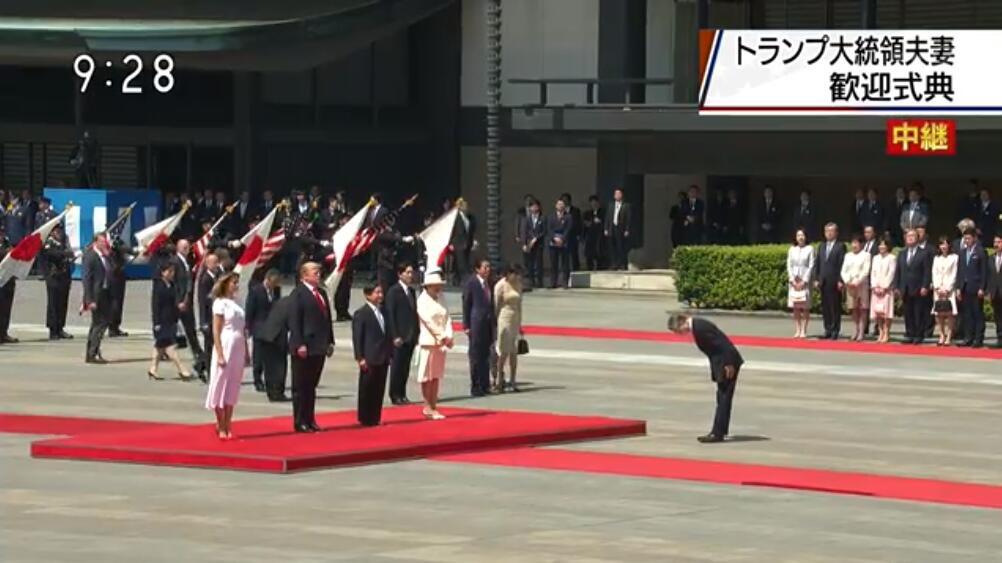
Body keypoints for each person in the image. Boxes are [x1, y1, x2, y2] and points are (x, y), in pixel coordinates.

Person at [667, 313, 744, 444]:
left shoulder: (700, 327)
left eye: (678, 331)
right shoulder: (698, 326)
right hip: (722, 363)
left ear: (682, 323)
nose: (680, 334)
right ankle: (719, 431)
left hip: (727, 363)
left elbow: (724, 344)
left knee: (724, 397)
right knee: (722, 397)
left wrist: (729, 364)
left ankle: (717, 433)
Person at [288, 261, 335, 433]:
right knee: (301, 386)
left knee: (311, 385)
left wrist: (330, 341)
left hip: (319, 346)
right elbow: (294, 321)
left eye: (319, 271)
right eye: (315, 271)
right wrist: (299, 343)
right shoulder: (298, 294)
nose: (318, 273)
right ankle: (300, 421)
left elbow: (327, 319)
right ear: (304, 275)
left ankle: (310, 419)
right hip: (304, 346)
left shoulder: (321, 293)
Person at [205, 273, 248, 440]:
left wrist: (247, 351)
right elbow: (216, 330)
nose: (236, 286)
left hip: (238, 345)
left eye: (237, 283)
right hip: (226, 343)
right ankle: (220, 423)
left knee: (233, 385)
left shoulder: (238, 303)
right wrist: (220, 353)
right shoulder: (220, 303)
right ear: (225, 284)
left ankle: (228, 423)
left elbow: (243, 329)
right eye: (233, 283)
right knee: (220, 383)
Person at [352, 285, 394, 426]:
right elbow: (357, 337)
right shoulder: (361, 314)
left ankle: (375, 417)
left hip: (383, 356)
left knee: (379, 388)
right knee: (367, 388)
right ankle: (365, 417)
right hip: (369, 356)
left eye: (381, 292)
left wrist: (390, 352)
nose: (380, 295)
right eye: (377, 292)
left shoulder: (384, 312)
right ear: (368, 295)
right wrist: (360, 357)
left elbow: (388, 334)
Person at [415, 270, 453, 420]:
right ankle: (427, 406)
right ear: (427, 286)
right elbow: (428, 322)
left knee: (436, 375)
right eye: (434, 285)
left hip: (441, 343)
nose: (438, 288)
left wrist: (448, 336)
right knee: (427, 375)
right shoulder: (422, 301)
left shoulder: (441, 298)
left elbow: (447, 317)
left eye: (439, 285)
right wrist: (443, 337)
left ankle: (434, 405)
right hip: (428, 341)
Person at [149, 263, 193, 381]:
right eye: (169, 271)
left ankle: (153, 369)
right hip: (162, 320)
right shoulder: (158, 285)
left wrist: (179, 306)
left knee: (160, 347)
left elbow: (174, 300)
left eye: (172, 271)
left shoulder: (172, 285)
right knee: (170, 346)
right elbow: (155, 305)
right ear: (163, 272)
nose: (171, 274)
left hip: (171, 319)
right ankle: (182, 369)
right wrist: (156, 322)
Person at [171, 240, 205, 377]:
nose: (186, 249)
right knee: (172, 331)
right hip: (180, 302)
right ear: (178, 248)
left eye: (187, 247)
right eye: (184, 247)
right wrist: (178, 301)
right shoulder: (175, 262)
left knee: (191, 329)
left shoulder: (186, 261)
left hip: (187, 301)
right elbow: (174, 283)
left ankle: (199, 354)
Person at [385, 263, 418, 405]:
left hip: (410, 335)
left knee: (405, 367)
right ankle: (395, 394)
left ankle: (402, 393)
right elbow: (390, 315)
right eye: (408, 272)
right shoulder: (394, 291)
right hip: (399, 335)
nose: (410, 275)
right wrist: (394, 335)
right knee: (397, 366)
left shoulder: (411, 291)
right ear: (400, 274)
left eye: (411, 272)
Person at [245, 269, 282, 393]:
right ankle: (257, 380)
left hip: (272, 328)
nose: (275, 285)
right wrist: (248, 327)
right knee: (258, 356)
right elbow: (250, 309)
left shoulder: (276, 290)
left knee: (270, 356)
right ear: (268, 279)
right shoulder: (256, 291)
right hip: (259, 327)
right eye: (274, 282)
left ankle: (269, 379)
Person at [462, 258, 495, 397]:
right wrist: (466, 325)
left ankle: (485, 384)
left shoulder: (489, 283)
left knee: (486, 355)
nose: (487, 270)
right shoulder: (472, 283)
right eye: (484, 267)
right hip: (476, 324)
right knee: (475, 356)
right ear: (477, 269)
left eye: (489, 267)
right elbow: (466, 304)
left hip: (487, 324)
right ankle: (475, 386)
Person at [896, 229, 931, 345]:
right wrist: (897, 286)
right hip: (905, 287)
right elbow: (898, 271)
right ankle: (909, 333)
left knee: (918, 312)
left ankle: (918, 334)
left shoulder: (924, 253)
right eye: (908, 236)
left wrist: (925, 286)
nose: (910, 238)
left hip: (918, 287)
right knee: (908, 312)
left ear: (918, 238)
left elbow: (927, 271)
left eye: (913, 236)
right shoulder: (902, 253)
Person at [82, 233, 113, 363]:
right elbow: (87, 279)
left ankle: (93, 351)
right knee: (99, 323)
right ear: (95, 242)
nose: (104, 244)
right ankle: (92, 353)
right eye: (101, 242)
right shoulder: (90, 257)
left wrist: (108, 255)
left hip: (105, 293)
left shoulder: (103, 256)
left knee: (99, 323)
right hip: (96, 295)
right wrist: (89, 300)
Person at [493, 264, 524, 392]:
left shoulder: (518, 285)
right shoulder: (500, 285)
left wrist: (520, 323)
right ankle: (499, 379)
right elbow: (496, 305)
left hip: (515, 318)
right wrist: (495, 322)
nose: (517, 277)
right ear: (508, 274)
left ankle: (513, 379)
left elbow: (520, 304)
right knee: (503, 351)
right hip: (504, 318)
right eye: (514, 274)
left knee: (513, 351)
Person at [257, 290, 291, 402]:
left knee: (269, 367)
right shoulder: (292, 305)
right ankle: (278, 393)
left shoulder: (281, 302)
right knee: (280, 367)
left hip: (265, 335)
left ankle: (271, 392)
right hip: (276, 338)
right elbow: (293, 324)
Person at [956, 228, 988, 348]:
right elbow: (960, 271)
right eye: (965, 238)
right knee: (966, 314)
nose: (967, 241)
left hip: (976, 288)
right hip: (965, 287)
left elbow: (984, 272)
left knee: (977, 313)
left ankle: (978, 338)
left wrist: (982, 287)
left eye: (969, 238)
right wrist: (958, 287)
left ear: (974, 238)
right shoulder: (963, 252)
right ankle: (968, 337)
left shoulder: (980, 252)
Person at [814, 223, 846, 340]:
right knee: (825, 306)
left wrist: (840, 280)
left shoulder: (840, 246)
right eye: (827, 231)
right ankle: (827, 329)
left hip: (834, 281)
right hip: (823, 281)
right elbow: (818, 263)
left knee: (835, 306)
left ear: (836, 233)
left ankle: (835, 330)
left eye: (831, 231)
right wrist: (817, 278)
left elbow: (842, 264)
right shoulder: (821, 246)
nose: (829, 233)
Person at [43, 225, 74, 340]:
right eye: (56, 231)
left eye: (60, 231)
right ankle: (53, 329)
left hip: (64, 277)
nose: (59, 233)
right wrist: (66, 253)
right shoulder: (49, 243)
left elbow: (68, 255)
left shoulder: (64, 243)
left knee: (62, 303)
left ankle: (60, 327)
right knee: (53, 304)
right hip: (53, 277)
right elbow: (53, 254)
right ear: (52, 233)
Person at [197, 253, 223, 382]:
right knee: (209, 346)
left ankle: (199, 365)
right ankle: (208, 371)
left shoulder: (217, 276)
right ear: (207, 264)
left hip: (216, 317)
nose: (216, 265)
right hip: (208, 317)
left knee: (214, 345)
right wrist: (203, 322)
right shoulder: (205, 279)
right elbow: (202, 301)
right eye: (213, 262)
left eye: (216, 262)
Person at [840, 235, 872, 342]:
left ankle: (862, 331)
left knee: (862, 308)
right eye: (853, 243)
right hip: (850, 285)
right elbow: (843, 270)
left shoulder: (866, 255)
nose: (854, 245)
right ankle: (855, 329)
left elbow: (866, 270)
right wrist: (847, 281)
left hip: (861, 285)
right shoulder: (848, 255)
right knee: (853, 308)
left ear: (861, 244)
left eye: (856, 243)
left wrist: (858, 281)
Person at [786, 229, 815, 339]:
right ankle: (797, 329)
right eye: (798, 235)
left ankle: (804, 329)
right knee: (796, 306)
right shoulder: (792, 249)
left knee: (805, 306)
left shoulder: (810, 249)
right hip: (794, 281)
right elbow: (789, 265)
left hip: (805, 280)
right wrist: (792, 279)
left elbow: (811, 265)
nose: (800, 237)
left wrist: (804, 280)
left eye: (802, 235)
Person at [930, 236, 958, 346]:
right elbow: (934, 273)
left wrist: (947, 288)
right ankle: (941, 334)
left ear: (949, 245)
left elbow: (954, 274)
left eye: (946, 244)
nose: (944, 246)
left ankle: (949, 336)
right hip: (938, 289)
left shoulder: (954, 257)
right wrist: (937, 287)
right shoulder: (936, 258)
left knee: (950, 313)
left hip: (949, 289)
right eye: (942, 244)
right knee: (938, 313)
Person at [869, 239, 897, 343]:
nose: (882, 247)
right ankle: (880, 332)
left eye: (884, 245)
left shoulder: (892, 258)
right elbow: (873, 272)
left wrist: (884, 287)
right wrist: (875, 286)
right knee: (878, 313)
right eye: (880, 245)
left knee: (886, 313)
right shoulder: (875, 258)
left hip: (886, 290)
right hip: (876, 289)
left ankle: (886, 332)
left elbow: (891, 273)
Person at [546, 198, 573, 289]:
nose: (560, 206)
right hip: (553, 242)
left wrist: (562, 239)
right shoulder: (551, 217)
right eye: (558, 204)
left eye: (562, 204)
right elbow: (549, 229)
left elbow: (568, 229)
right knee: (554, 263)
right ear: (556, 206)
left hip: (564, 242)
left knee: (565, 263)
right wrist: (554, 238)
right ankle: (553, 282)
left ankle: (565, 282)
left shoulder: (568, 216)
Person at [519, 199, 545, 290]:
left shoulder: (542, 218)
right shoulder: (526, 219)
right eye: (532, 206)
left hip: (539, 244)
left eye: (535, 206)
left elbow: (544, 231)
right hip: (529, 244)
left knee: (539, 263)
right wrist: (524, 244)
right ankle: (531, 282)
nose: (533, 208)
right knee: (530, 263)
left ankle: (540, 282)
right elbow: (523, 232)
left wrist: (536, 238)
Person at [449, 199, 477, 285]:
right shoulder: (455, 217)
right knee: (461, 263)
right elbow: (451, 231)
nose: (466, 208)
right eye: (464, 206)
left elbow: (471, 231)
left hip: (467, 243)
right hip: (457, 242)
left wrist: (473, 241)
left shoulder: (470, 217)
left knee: (464, 261)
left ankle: (456, 280)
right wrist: (450, 243)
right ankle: (464, 281)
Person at [604, 188, 631, 270]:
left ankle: (622, 264)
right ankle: (613, 264)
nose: (617, 195)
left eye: (619, 194)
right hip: (612, 228)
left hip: (621, 229)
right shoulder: (611, 205)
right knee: (612, 247)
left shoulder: (626, 206)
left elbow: (628, 219)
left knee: (621, 247)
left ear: (622, 195)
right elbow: (607, 218)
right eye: (615, 194)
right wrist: (606, 228)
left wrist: (627, 229)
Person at [582, 195, 605, 270]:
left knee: (599, 255)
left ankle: (600, 269)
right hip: (590, 236)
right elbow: (585, 224)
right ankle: (590, 269)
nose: (593, 205)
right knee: (589, 255)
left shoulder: (603, 212)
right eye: (592, 203)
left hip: (599, 236)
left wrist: (598, 222)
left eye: (595, 203)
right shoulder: (587, 213)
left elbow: (604, 223)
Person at [560, 193, 583, 272]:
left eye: (566, 200)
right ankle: (565, 270)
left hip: (573, 235)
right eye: (563, 200)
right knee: (564, 254)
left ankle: (576, 269)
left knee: (574, 254)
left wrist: (579, 234)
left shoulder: (575, 210)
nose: (564, 202)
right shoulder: (560, 211)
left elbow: (578, 223)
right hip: (563, 236)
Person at [987, 234, 1002, 348]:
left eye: (999, 242)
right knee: (998, 316)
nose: (996, 244)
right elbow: (989, 276)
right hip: (995, 292)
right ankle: (999, 338)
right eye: (995, 242)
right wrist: (989, 291)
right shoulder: (991, 257)